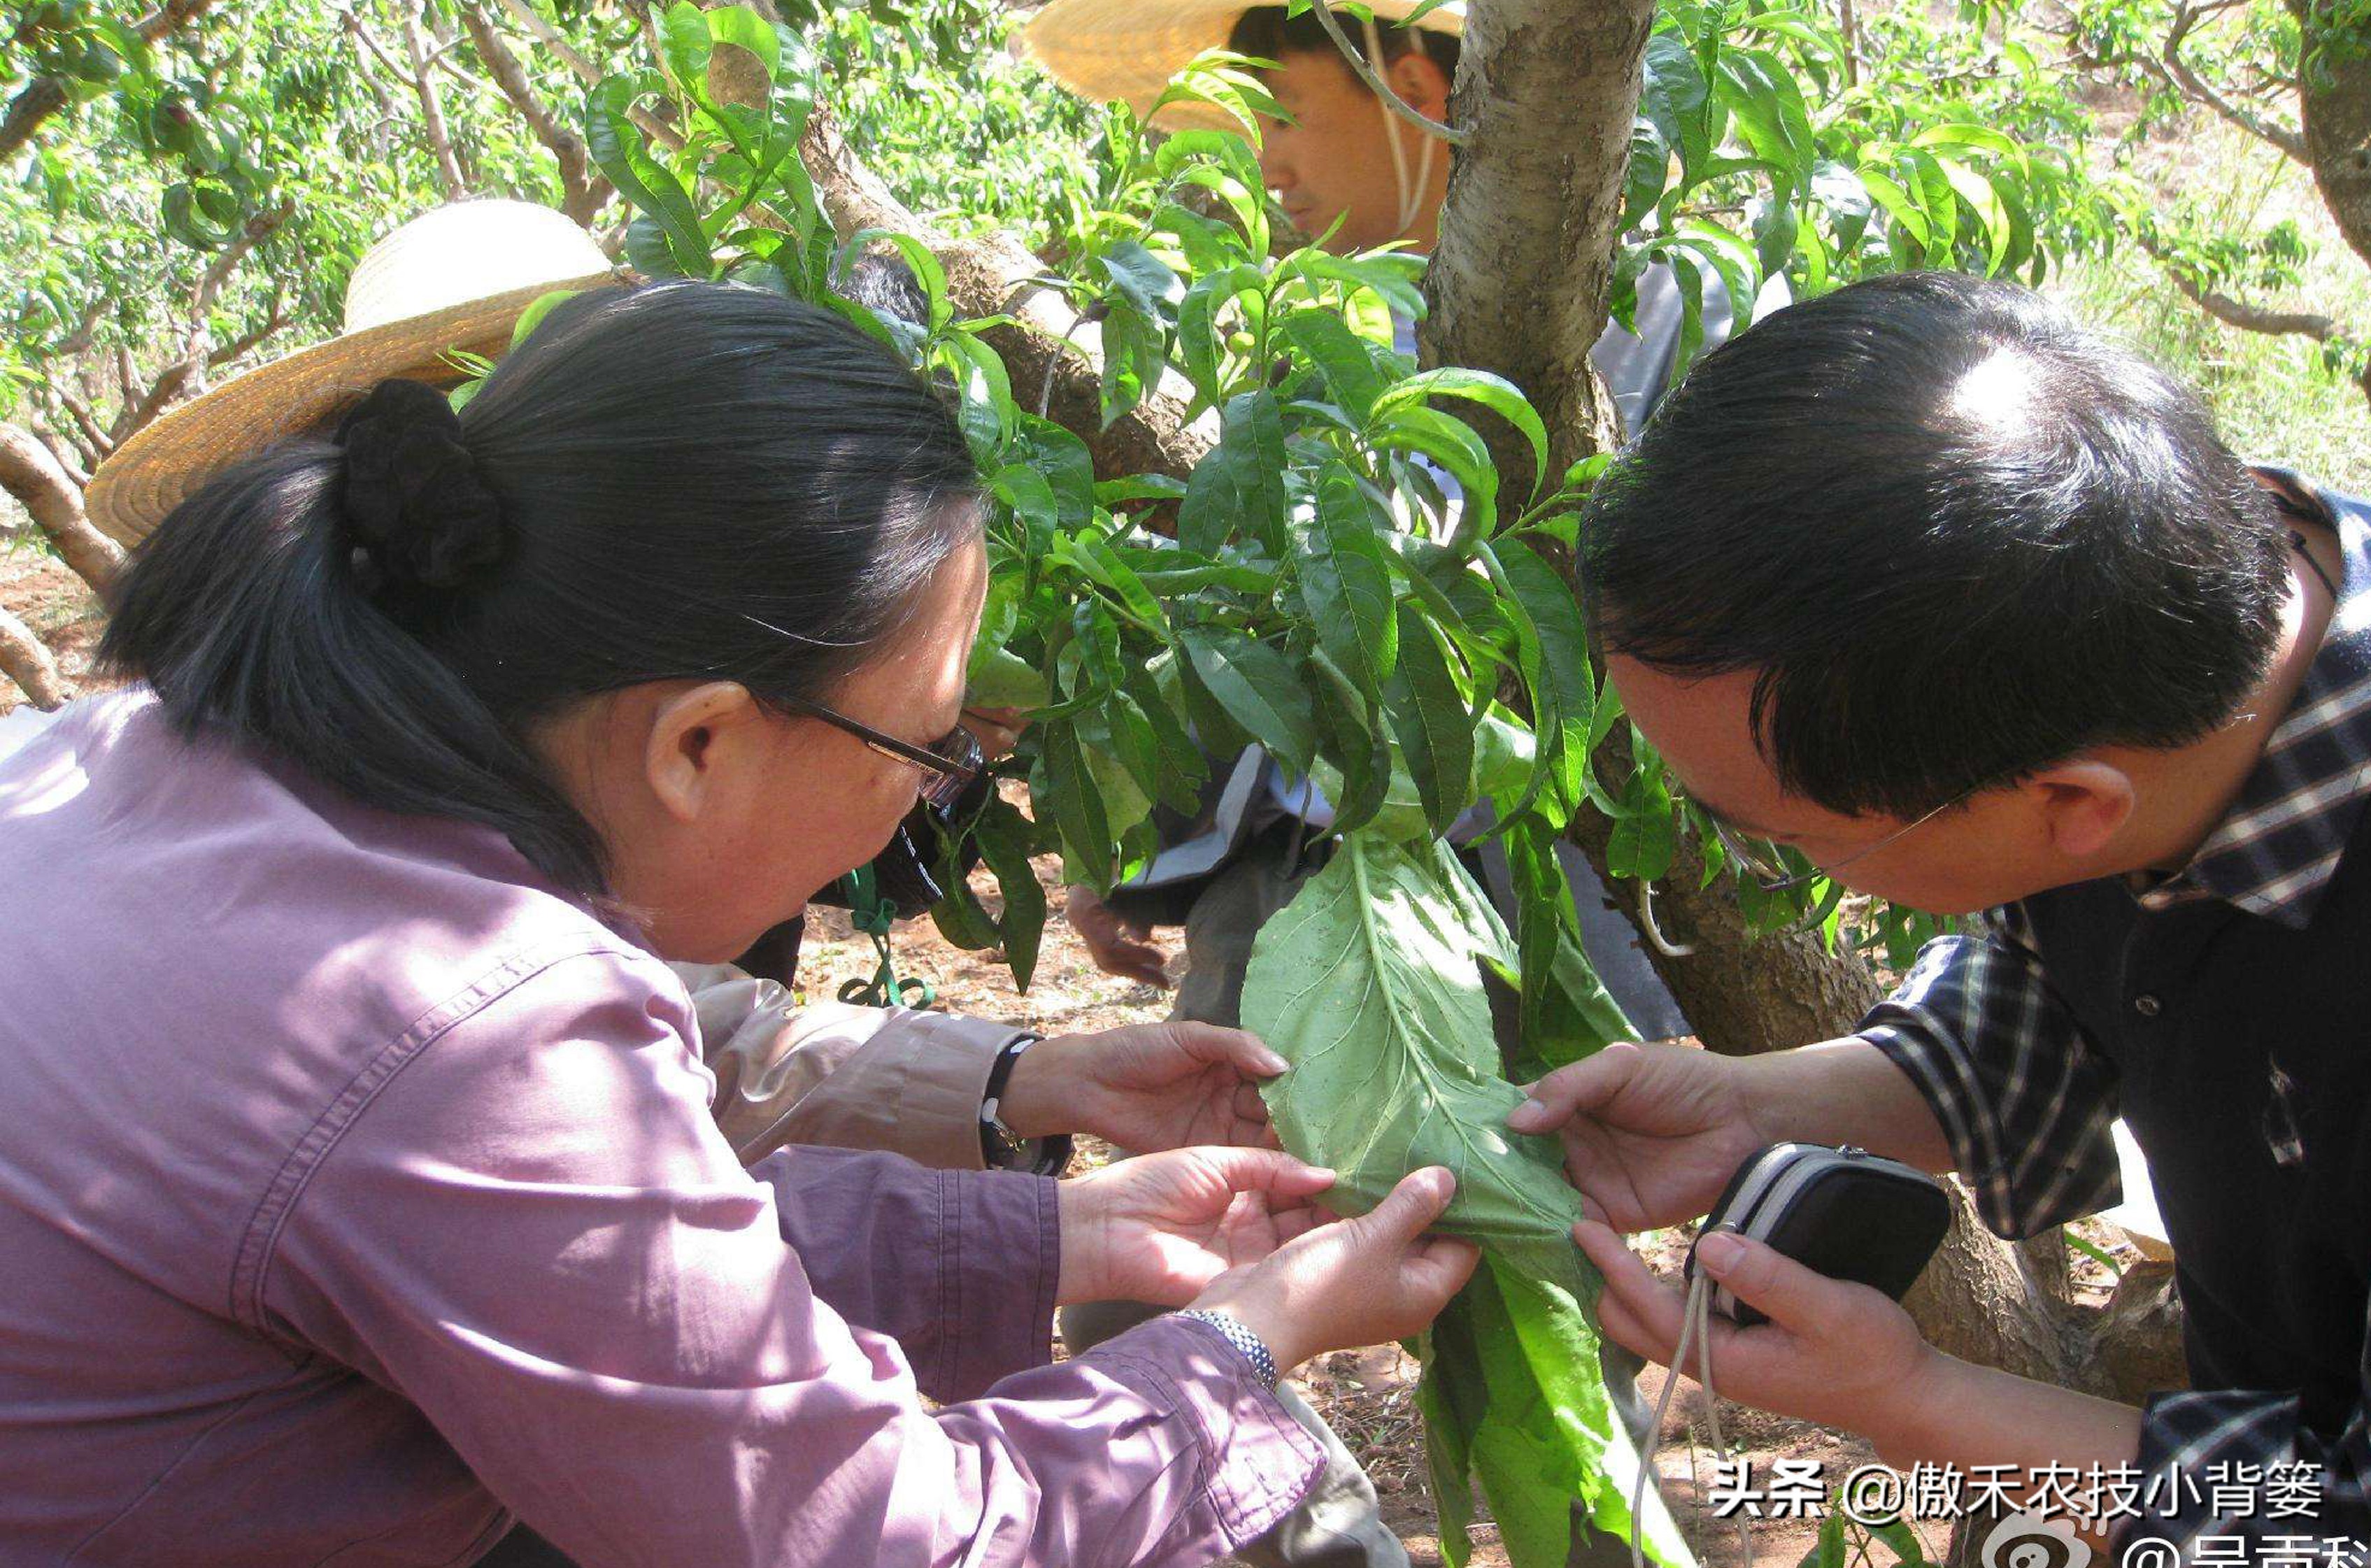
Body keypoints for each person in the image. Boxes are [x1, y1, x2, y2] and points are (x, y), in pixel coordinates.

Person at [0, 274, 1486, 1565]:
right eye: (928, 750)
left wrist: (1063, 1226)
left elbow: (578, 1257)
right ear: (696, 743)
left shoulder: (113, 758)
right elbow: (870, 1530)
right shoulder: (472, 1021)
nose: (934, 802)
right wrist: (1253, 1337)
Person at [1504, 270, 2371, 1550]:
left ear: (2070, 805)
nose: (1742, 846)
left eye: (1785, 833)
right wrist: (1753, 1104)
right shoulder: (2133, 627)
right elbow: (2060, 976)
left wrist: (1920, 1401)